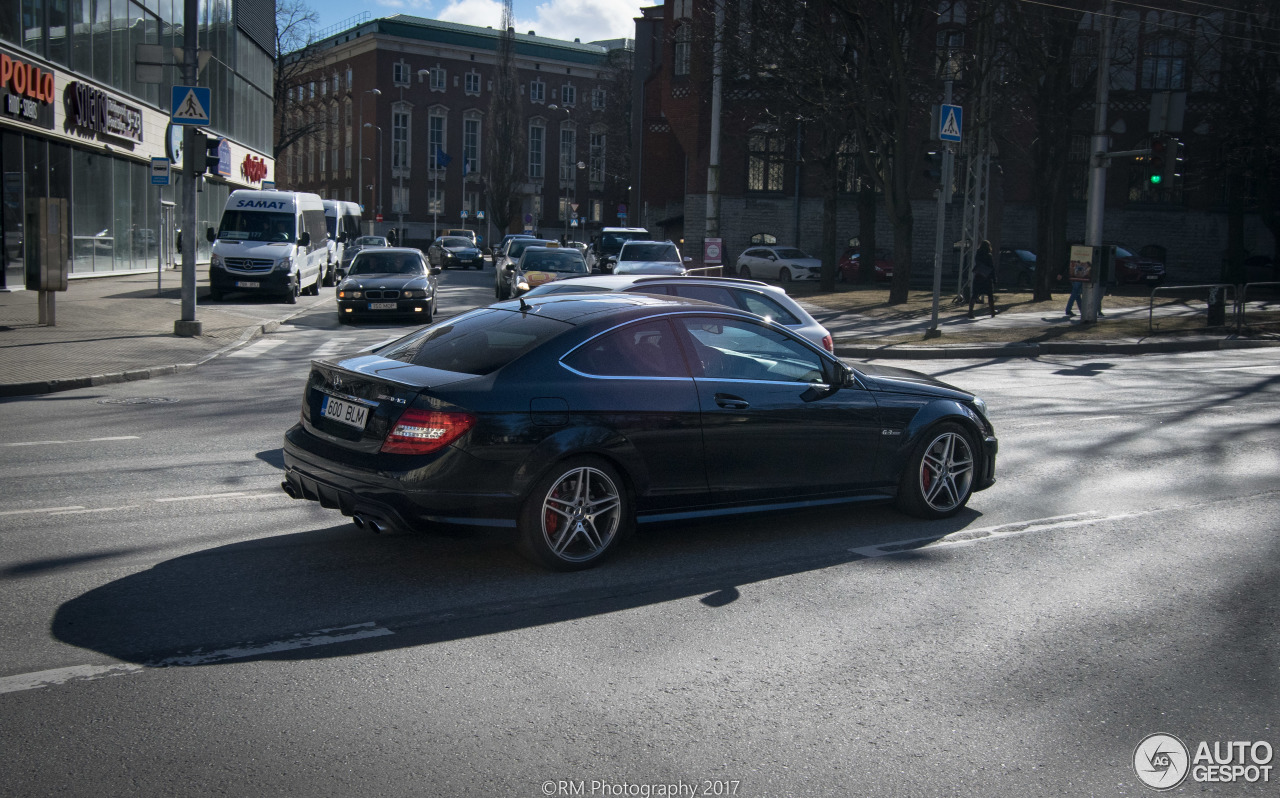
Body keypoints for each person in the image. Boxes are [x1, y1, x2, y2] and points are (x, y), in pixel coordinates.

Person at [968, 240, 997, 319]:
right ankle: (992, 312)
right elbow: (992, 268)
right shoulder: (989, 255)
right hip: (987, 278)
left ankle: (970, 312)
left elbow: (977, 264)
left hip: (978, 276)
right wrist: (994, 279)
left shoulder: (977, 255)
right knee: (990, 295)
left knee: (975, 294)